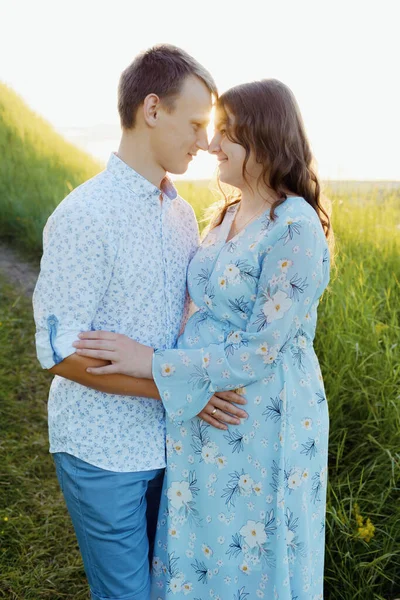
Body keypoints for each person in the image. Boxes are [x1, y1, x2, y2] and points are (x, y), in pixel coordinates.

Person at [74, 78, 332, 599]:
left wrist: (151, 362)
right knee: (204, 542)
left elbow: (262, 349)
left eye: (227, 135)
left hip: (259, 415)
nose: (212, 145)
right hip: (201, 406)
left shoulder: (295, 226)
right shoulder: (228, 213)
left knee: (251, 551)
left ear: (264, 140)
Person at [32, 44, 247, 600]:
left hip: (172, 446)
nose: (206, 141)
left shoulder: (180, 215)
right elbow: (58, 351)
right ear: (153, 109)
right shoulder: (85, 216)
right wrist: (181, 393)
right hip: (102, 452)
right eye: (197, 123)